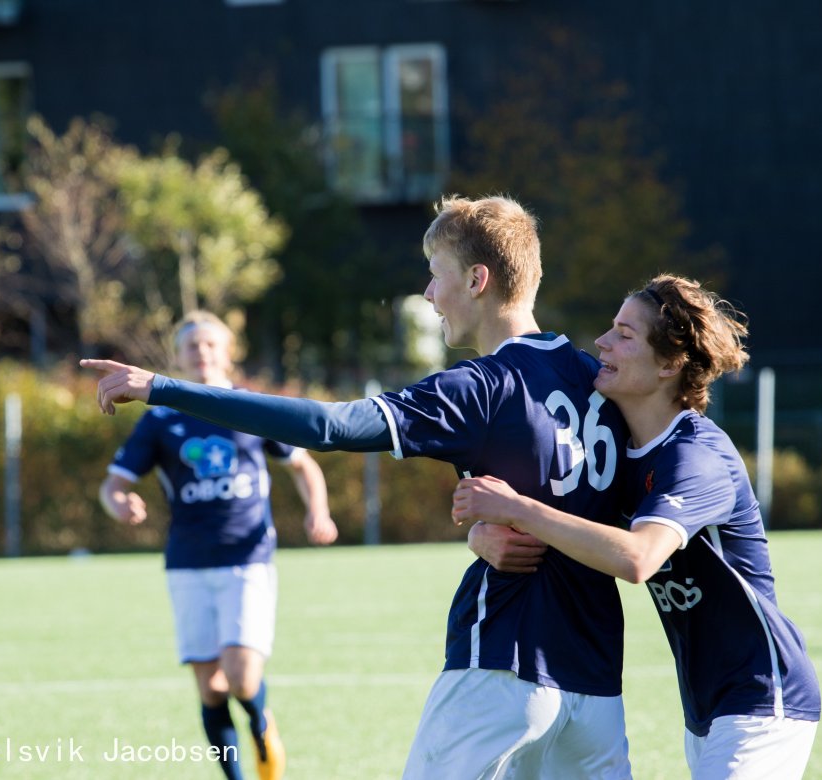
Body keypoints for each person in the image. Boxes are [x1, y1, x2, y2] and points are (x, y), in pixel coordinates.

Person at [83, 195, 634, 779]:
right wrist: (485, 529)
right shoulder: (594, 377)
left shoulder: (481, 386)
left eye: (435, 275)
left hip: (504, 664)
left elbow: (328, 426)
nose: (427, 294)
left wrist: (164, 388)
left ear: (477, 280)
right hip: (596, 682)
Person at [455, 274, 821, 780]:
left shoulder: (697, 456)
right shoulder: (621, 452)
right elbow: (572, 526)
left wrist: (518, 509)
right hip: (706, 704)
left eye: (625, 335)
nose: (602, 343)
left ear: (670, 364)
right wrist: (484, 534)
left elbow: (636, 557)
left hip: (763, 696)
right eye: (610, 328)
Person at [95, 310, 339, 780]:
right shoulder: (160, 419)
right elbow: (113, 485)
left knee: (242, 675)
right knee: (210, 688)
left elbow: (303, 465)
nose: (201, 353)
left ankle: (263, 725)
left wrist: (318, 510)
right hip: (187, 564)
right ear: (178, 358)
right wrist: (119, 503)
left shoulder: (251, 408)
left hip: (247, 559)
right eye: (191, 346)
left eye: (210, 344)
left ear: (228, 353)